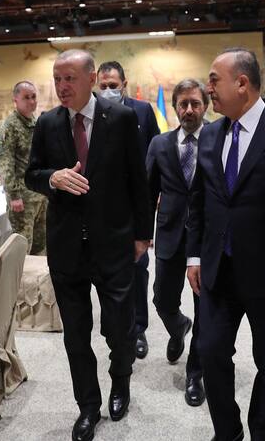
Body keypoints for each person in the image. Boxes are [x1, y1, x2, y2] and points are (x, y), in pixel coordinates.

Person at [25, 49, 152, 441]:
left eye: (70, 78)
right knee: (76, 335)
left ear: (91, 78)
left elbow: (138, 180)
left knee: (120, 330)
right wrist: (53, 178)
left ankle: (121, 381)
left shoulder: (122, 118)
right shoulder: (47, 122)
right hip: (67, 248)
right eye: (57, 79)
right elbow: (31, 174)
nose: (62, 87)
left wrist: (142, 236)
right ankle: (88, 406)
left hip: (114, 243)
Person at [186, 48, 265, 441]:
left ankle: (262, 433)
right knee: (211, 352)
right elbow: (200, 198)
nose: (208, 88)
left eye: (214, 80)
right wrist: (194, 255)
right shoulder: (211, 133)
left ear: (242, 83)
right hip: (218, 270)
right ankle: (228, 433)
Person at [145, 78, 208, 407]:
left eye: (195, 103)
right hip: (169, 233)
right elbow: (148, 193)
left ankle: (195, 373)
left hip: (206, 238)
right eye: (183, 104)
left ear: (205, 106)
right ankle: (178, 326)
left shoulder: (218, 139)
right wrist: (141, 234)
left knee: (205, 309)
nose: (189, 110)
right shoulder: (159, 144)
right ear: (174, 107)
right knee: (162, 299)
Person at [96, 60, 160, 359]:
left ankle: (138, 328)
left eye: (113, 85)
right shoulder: (92, 112)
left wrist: (159, 192)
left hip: (137, 203)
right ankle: (115, 327)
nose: (109, 90)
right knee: (106, 269)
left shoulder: (143, 111)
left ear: (124, 84)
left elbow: (156, 151)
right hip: (104, 205)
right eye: (104, 86)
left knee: (138, 267)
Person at [0, 81, 48, 255]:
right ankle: (20, 276)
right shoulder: (9, 127)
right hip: (22, 200)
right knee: (23, 249)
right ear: (15, 100)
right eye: (26, 97)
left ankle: (38, 275)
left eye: (34, 97)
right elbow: (5, 163)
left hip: (39, 196)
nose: (31, 101)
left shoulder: (36, 123)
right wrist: (14, 195)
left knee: (41, 247)